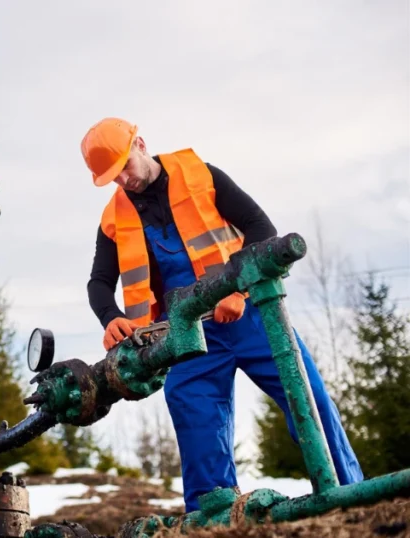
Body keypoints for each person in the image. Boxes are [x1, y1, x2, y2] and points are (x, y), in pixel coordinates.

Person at [80, 117, 363, 512]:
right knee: (197, 426)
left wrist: (239, 287)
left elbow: (261, 227)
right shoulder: (113, 219)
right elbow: (98, 282)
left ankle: (352, 500)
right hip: (186, 337)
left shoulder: (203, 175)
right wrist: (110, 316)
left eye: (125, 166)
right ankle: (212, 520)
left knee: (308, 399)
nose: (124, 180)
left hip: (252, 318)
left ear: (140, 144)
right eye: (113, 177)